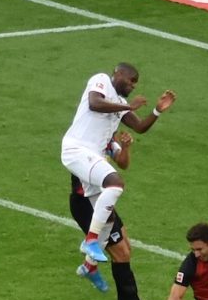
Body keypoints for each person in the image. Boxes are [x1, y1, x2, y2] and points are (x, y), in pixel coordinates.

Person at [60, 63, 176, 264]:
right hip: (77, 149)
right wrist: (129, 106)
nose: (133, 86)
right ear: (119, 73)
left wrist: (157, 111)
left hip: (92, 157)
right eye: (131, 80)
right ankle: (90, 241)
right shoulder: (101, 80)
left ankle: (90, 265)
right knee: (116, 184)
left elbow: (139, 127)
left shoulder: (119, 103)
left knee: (109, 216)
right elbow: (94, 103)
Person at [68, 129, 165, 300]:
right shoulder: (84, 145)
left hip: (101, 202)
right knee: (121, 253)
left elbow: (123, 163)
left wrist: (126, 147)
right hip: (87, 204)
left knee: (126, 248)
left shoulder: (105, 138)